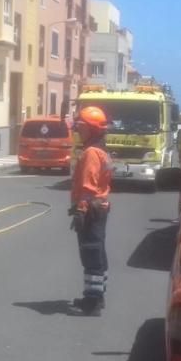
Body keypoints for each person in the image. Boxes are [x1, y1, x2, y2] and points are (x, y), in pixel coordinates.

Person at [69, 106, 112, 315]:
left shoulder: (91, 153)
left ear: (92, 129)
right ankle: (97, 295)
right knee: (97, 252)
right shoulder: (100, 149)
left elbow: (88, 185)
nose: (78, 131)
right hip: (100, 208)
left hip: (92, 209)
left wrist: (81, 210)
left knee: (91, 253)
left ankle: (93, 301)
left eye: (82, 127)